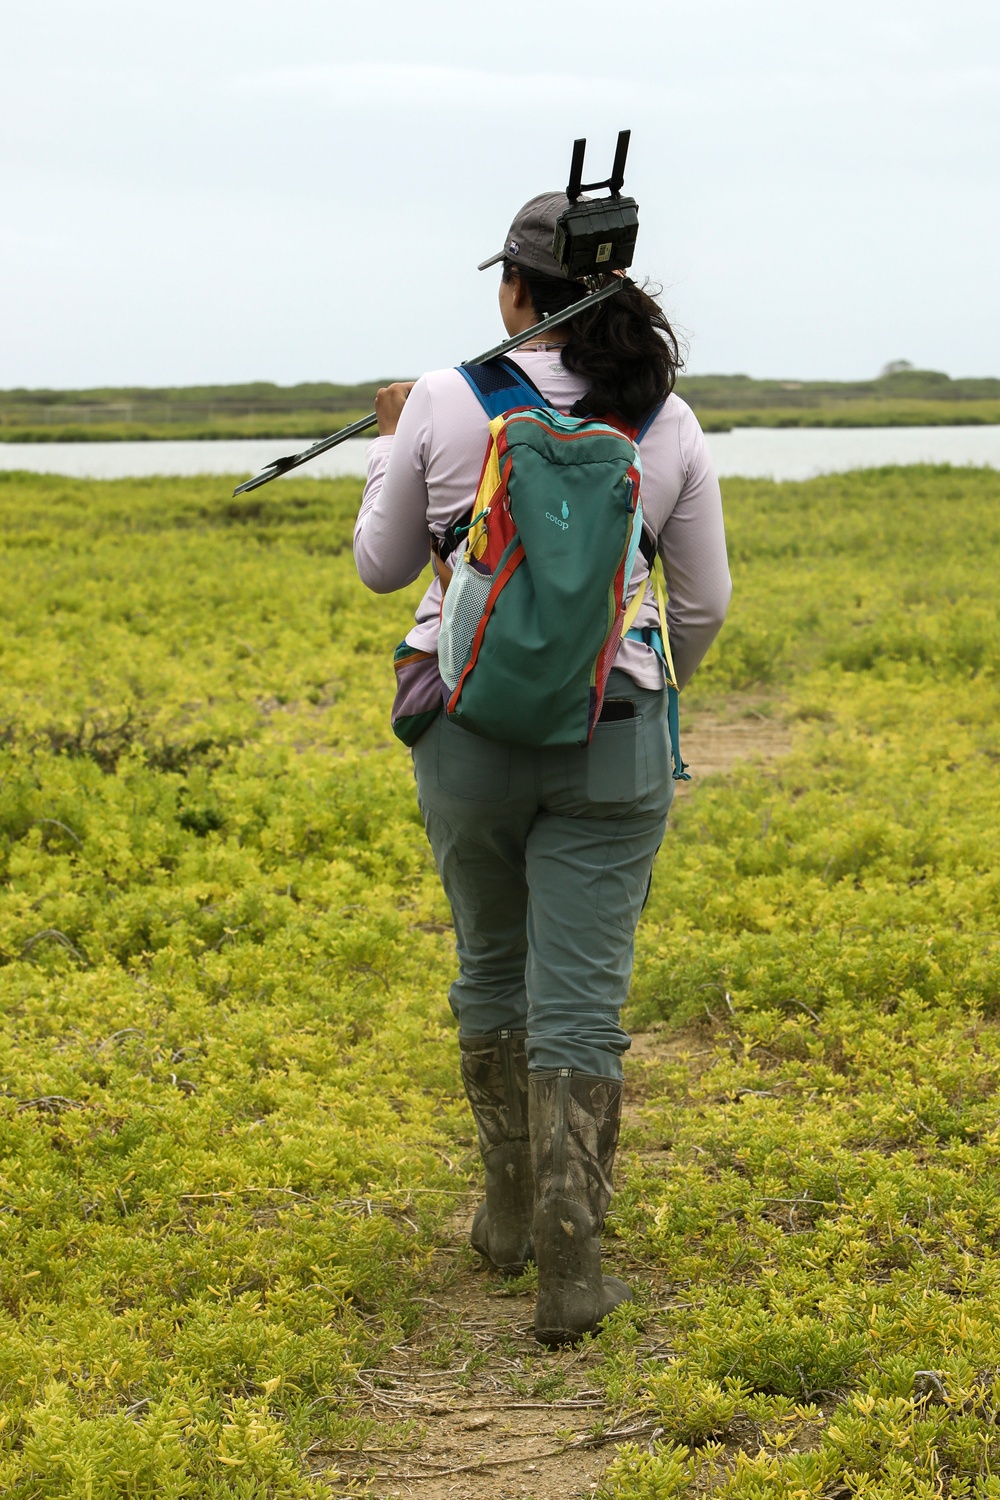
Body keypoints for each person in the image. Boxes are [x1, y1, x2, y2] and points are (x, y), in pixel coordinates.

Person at [354, 191, 731, 1346]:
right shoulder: (665, 421)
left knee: (490, 964)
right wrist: (643, 675)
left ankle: (506, 1212)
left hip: (466, 729)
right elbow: (704, 601)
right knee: (583, 995)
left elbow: (380, 568)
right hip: (613, 731)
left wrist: (387, 452)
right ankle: (575, 1259)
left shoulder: (442, 395)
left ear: (516, 291)